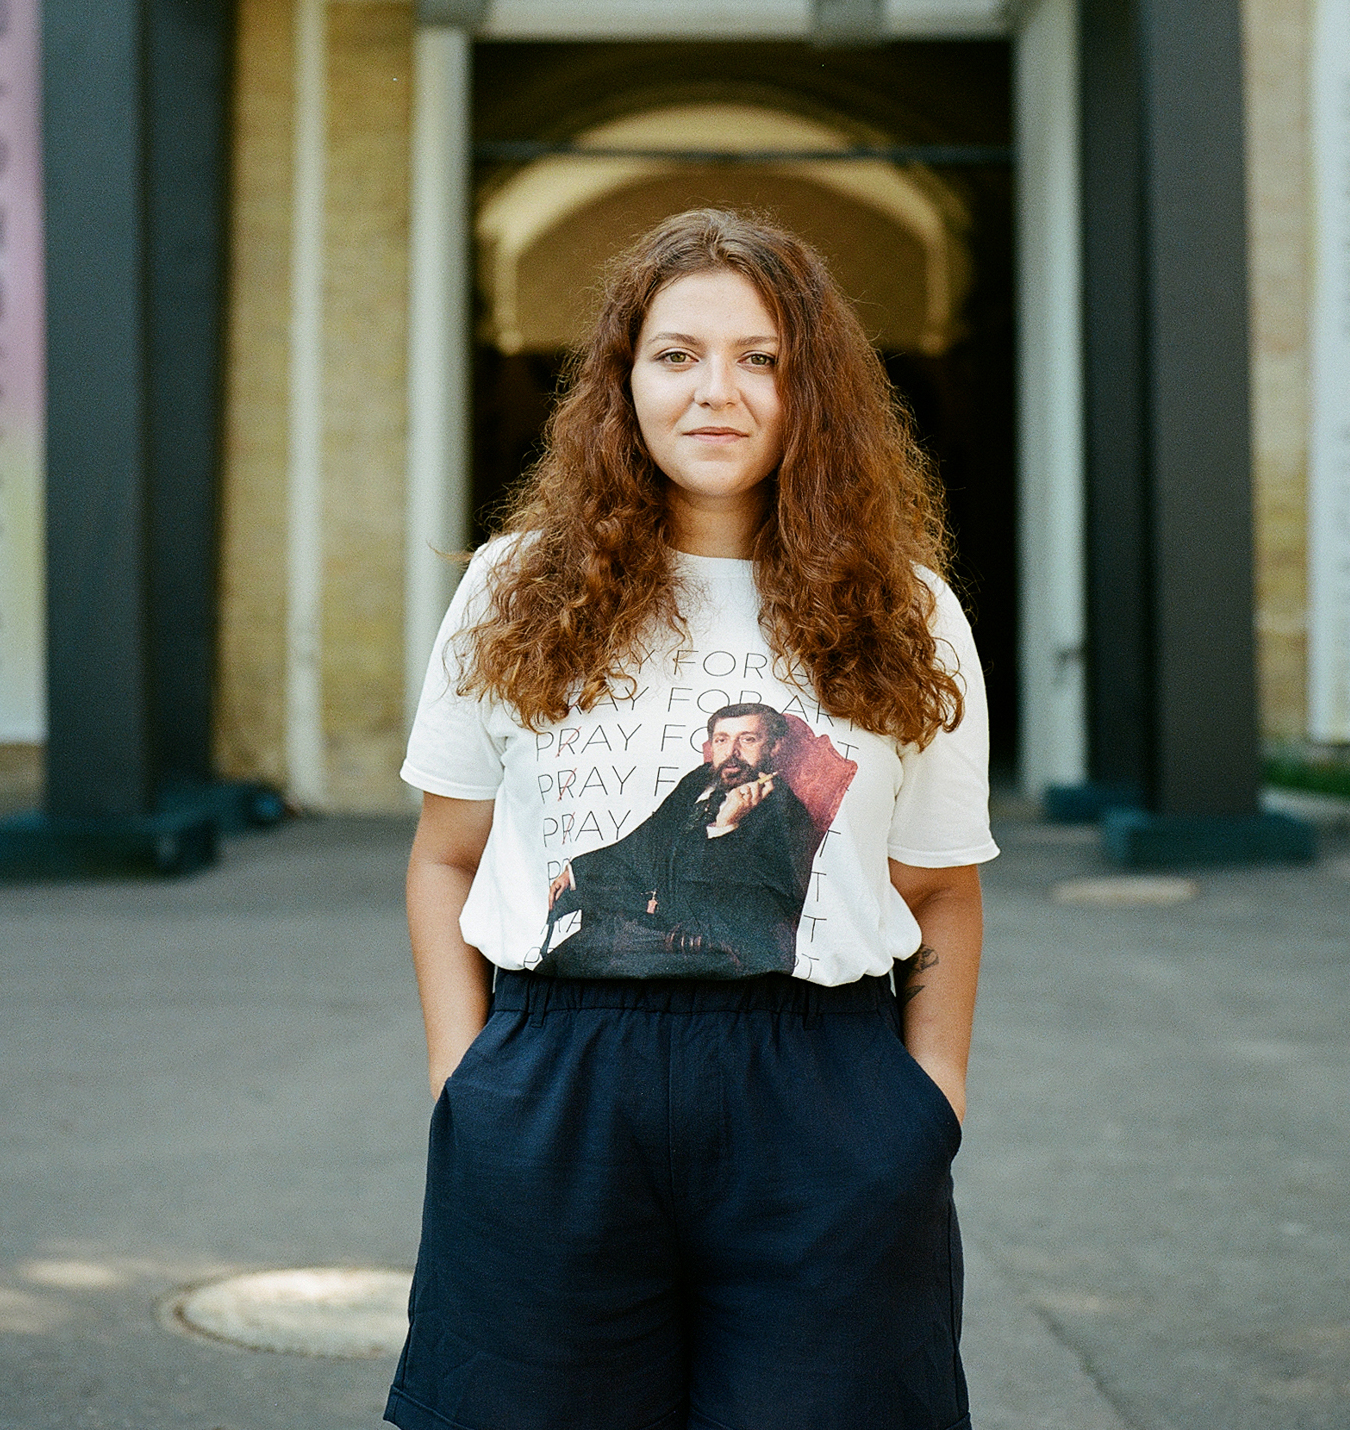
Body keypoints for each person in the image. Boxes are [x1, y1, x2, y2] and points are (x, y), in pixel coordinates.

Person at [388, 208, 996, 1430]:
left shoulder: (906, 609)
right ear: (622, 382)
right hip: (556, 1088)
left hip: (821, 1092)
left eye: (760, 357)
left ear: (812, 389)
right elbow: (446, 857)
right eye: (676, 354)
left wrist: (926, 1103)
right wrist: (466, 1086)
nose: (716, 389)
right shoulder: (513, 587)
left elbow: (937, 887)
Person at [540, 700, 820, 975]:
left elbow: (746, 906)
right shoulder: (700, 780)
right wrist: (576, 871)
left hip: (712, 947)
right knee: (574, 953)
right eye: (721, 740)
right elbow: (650, 837)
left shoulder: (785, 813)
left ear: (774, 746)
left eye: (747, 739)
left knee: (584, 958)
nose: (731, 752)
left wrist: (725, 827)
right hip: (657, 926)